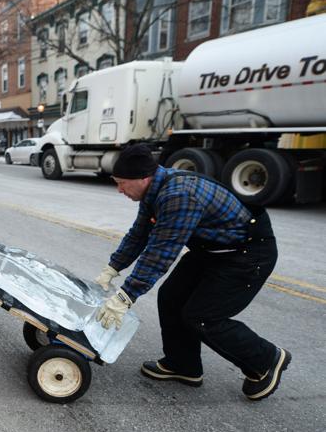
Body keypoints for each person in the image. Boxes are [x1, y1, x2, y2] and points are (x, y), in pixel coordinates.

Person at [94, 144, 291, 401]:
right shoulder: (154, 190)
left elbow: (160, 253)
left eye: (121, 183)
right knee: (171, 297)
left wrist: (125, 297)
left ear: (143, 178)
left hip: (247, 255)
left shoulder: (179, 196)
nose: (119, 190)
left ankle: (266, 359)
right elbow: (140, 233)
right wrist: (114, 267)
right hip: (212, 251)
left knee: (202, 317)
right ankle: (183, 365)